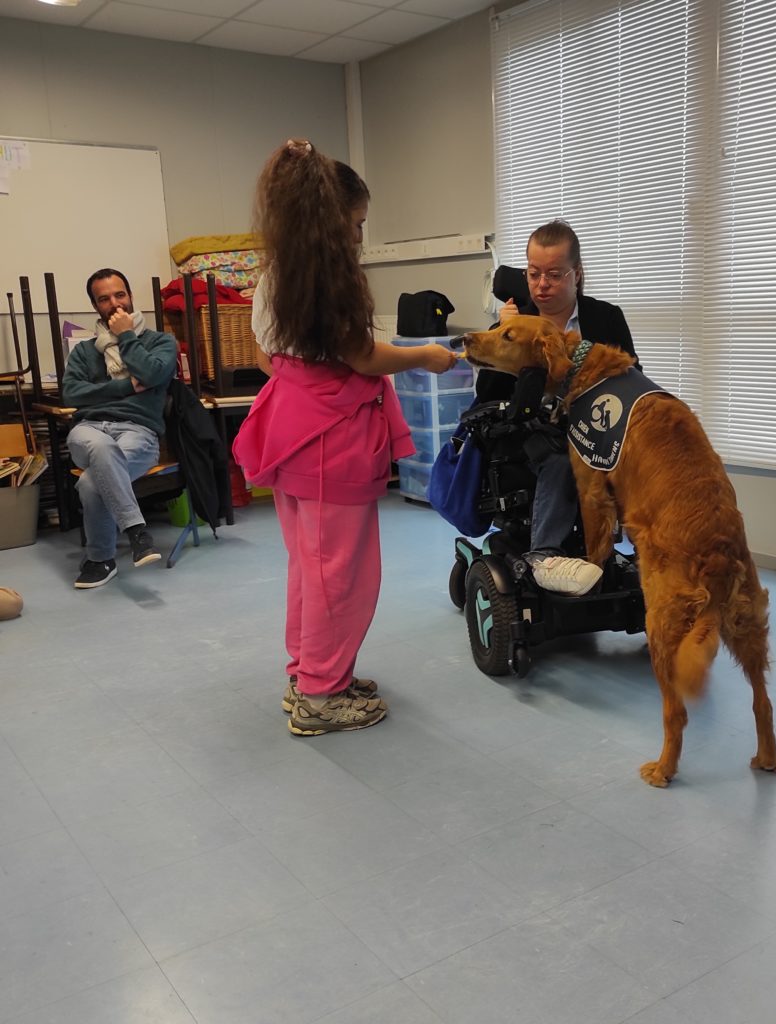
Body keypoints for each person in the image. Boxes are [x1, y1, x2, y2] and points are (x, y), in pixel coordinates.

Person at [232, 139, 457, 738]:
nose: (359, 236)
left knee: (311, 569)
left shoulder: (275, 277)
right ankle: (321, 697)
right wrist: (425, 355)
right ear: (329, 221)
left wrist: (307, 370)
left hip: (290, 431)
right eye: (356, 224)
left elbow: (266, 356)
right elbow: (363, 356)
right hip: (330, 440)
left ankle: (311, 675)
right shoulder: (329, 281)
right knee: (341, 575)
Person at [476, 219, 639, 596]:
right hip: (534, 431)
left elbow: (631, 376)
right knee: (563, 458)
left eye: (553, 274)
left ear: (576, 274)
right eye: (533, 274)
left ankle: (653, 552)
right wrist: (505, 337)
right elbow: (486, 393)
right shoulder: (515, 323)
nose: (541, 285)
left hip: (599, 428)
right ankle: (544, 556)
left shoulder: (605, 318)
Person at [64, 269, 178, 589]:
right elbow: (72, 394)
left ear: (130, 296)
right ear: (95, 306)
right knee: (101, 446)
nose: (114, 303)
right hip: (89, 429)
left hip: (138, 431)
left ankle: (100, 560)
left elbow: (153, 375)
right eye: (104, 299)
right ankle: (137, 532)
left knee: (91, 482)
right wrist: (125, 386)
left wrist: (127, 336)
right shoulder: (84, 351)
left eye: (120, 295)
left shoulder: (159, 342)